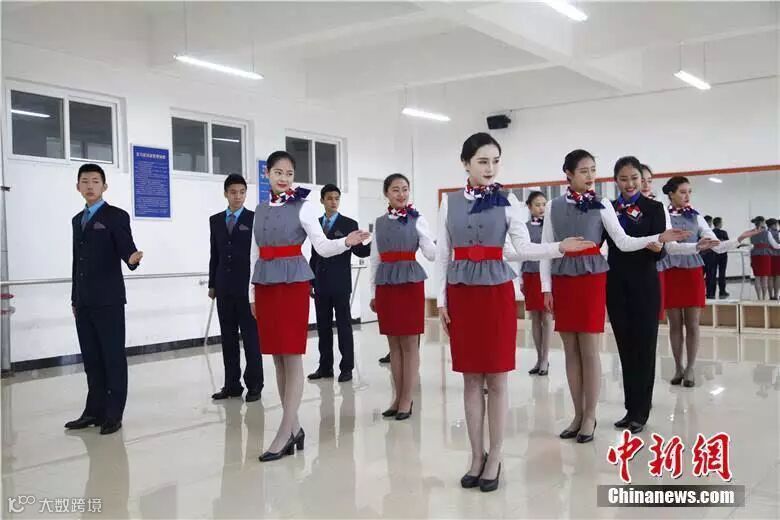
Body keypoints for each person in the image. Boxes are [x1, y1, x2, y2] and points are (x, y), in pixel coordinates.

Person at [436, 133, 596, 492]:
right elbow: (443, 255)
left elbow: (521, 248)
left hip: (496, 294)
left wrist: (558, 247)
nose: (490, 168)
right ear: (465, 163)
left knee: (497, 378)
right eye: (482, 161)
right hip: (462, 294)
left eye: (495, 161)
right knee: (470, 378)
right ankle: (475, 456)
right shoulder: (449, 203)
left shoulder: (509, 201)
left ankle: (495, 455)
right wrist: (441, 301)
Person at [540, 150, 689, 444]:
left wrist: (658, 238)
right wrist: (546, 287)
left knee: (594, 350)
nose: (590, 176)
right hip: (572, 280)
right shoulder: (554, 206)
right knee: (573, 351)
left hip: (598, 279)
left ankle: (597, 415)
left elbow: (623, 241)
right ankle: (579, 414)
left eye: (593, 170)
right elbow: (547, 247)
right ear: (568, 173)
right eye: (584, 171)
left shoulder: (604, 204)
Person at [249, 151, 369, 462]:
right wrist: (252, 294)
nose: (284, 178)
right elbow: (255, 253)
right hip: (265, 284)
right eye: (278, 172)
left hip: (292, 285)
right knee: (276, 357)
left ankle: (284, 432)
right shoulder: (259, 210)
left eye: (289, 173)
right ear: (267, 174)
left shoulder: (303, 207)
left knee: (291, 356)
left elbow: (322, 247)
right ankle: (295, 428)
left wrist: (347, 241)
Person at [657, 176, 757, 387]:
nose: (687, 196)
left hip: (692, 271)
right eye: (682, 192)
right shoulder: (662, 215)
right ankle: (678, 366)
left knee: (692, 323)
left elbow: (716, 245)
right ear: (671, 194)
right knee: (675, 323)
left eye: (689, 192)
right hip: (671, 270)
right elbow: (671, 248)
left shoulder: (696, 216)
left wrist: (738, 239)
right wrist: (696, 246)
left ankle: (691, 368)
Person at [66, 163, 143, 435]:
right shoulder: (77, 220)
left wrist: (132, 259)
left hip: (109, 300)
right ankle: (93, 411)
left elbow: (126, 248)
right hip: (84, 301)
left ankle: (113, 413)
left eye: (95, 181)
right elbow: (77, 262)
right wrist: (74, 298)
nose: (90, 186)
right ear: (78, 186)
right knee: (92, 359)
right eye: (85, 181)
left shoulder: (115, 216)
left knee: (112, 357)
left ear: (104, 186)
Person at [606, 157, 670, 434]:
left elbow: (663, 249)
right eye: (623, 179)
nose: (630, 184)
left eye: (634, 178)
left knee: (644, 347)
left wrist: (659, 248)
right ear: (616, 181)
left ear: (642, 180)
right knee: (625, 348)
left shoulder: (655, 208)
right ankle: (630, 408)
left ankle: (641, 412)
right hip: (616, 284)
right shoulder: (609, 209)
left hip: (645, 284)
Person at [369, 173, 436, 421]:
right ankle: (397, 398)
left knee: (409, 343)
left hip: (409, 283)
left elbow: (430, 252)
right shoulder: (379, 223)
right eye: (396, 189)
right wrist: (373, 292)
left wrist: (448, 245)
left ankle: (407, 399)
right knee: (393, 345)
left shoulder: (417, 219)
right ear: (386, 193)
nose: (401, 194)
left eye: (405, 189)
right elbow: (375, 260)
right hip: (386, 284)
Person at [208, 174, 263, 402]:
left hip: (247, 289)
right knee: (228, 338)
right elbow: (215, 254)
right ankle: (232, 385)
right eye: (233, 192)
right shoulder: (215, 220)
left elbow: (259, 256)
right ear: (225, 194)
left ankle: (255, 385)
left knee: (251, 338)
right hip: (224, 288)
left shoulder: (254, 219)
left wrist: (258, 287)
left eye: (241, 192)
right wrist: (212, 284)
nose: (237, 196)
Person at [308, 184, 371, 383]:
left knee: (344, 325)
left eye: (336, 198)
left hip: (340, 283)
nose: (333, 202)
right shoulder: (316, 224)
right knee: (323, 327)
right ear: (322, 200)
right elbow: (314, 255)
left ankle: (347, 368)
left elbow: (359, 251)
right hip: (320, 283)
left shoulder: (349, 223)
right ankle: (325, 367)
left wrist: (372, 243)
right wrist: (310, 280)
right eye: (329, 198)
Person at [520, 191, 552, 376]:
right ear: (529, 207)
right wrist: (521, 279)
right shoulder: (523, 228)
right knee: (535, 318)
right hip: (530, 274)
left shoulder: (551, 225)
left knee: (547, 317)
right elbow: (521, 254)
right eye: (537, 205)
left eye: (544, 204)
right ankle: (539, 358)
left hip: (546, 276)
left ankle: (546, 359)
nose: (541, 208)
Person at [748, 216, 780, 300]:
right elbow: (775, 245)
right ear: (762, 222)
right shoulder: (767, 233)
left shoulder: (751, 232)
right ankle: (764, 297)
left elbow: (751, 244)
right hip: (765, 255)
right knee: (765, 277)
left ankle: (759, 298)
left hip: (754, 254)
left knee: (757, 277)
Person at [711, 217, 730, 298]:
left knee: (712, 273)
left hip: (713, 254)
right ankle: (722, 291)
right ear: (719, 223)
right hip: (723, 255)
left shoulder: (711, 232)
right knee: (722, 273)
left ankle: (712, 292)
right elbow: (727, 243)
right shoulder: (723, 233)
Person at [701, 215, 718, 299]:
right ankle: (709, 294)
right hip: (707, 256)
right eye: (710, 222)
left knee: (708, 276)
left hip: (705, 256)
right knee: (710, 276)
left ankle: (709, 293)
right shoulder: (707, 233)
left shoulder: (700, 232)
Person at [768, 218, 780, 300]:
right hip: (777, 256)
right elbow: (776, 246)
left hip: (768, 256)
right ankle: (776, 295)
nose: (777, 226)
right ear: (773, 225)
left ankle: (770, 295)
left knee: (770, 276)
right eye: (776, 224)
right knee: (778, 276)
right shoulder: (777, 233)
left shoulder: (766, 233)